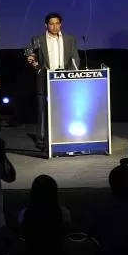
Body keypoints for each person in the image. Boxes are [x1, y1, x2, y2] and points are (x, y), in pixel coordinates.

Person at [24, 13, 81, 154]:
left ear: (61, 24)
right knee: (43, 109)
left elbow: (75, 59)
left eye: (57, 23)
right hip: (45, 77)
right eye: (51, 24)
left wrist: (72, 75)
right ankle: (42, 139)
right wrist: (34, 63)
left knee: (65, 108)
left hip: (64, 78)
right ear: (46, 25)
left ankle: (64, 136)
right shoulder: (38, 39)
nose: (54, 26)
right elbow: (28, 52)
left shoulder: (70, 39)